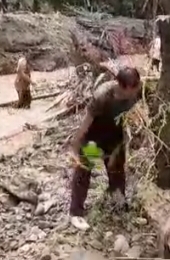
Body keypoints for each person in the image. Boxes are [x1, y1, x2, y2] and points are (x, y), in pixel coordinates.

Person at [68, 67, 142, 231]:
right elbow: (86, 123)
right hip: (94, 139)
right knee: (84, 170)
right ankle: (76, 212)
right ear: (126, 87)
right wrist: (75, 145)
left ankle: (118, 203)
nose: (138, 88)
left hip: (115, 137)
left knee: (117, 172)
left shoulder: (136, 93)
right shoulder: (102, 96)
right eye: (135, 87)